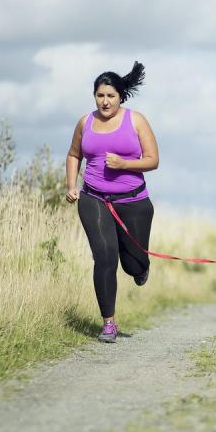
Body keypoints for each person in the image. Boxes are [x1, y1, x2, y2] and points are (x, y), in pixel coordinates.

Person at [65, 61, 159, 343]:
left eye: (111, 96)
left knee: (132, 264)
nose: (105, 101)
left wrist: (124, 164)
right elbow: (73, 155)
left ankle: (141, 267)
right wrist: (72, 185)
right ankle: (108, 323)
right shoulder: (85, 122)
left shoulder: (136, 120)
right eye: (100, 95)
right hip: (93, 198)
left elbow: (153, 160)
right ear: (94, 96)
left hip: (133, 201)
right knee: (105, 256)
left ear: (121, 97)